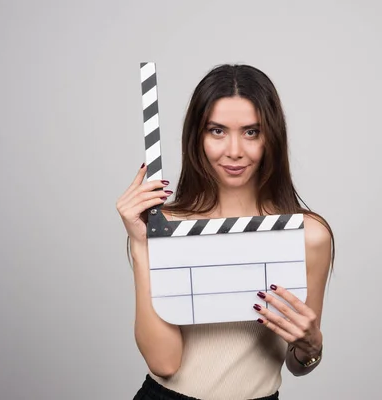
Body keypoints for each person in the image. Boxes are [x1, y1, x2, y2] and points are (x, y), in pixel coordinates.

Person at [116, 64, 335, 400]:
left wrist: (311, 346)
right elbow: (164, 363)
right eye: (217, 131)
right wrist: (142, 245)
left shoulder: (308, 235)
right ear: (197, 136)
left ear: (270, 137)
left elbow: (298, 361)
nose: (234, 150)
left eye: (251, 132)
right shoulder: (163, 227)